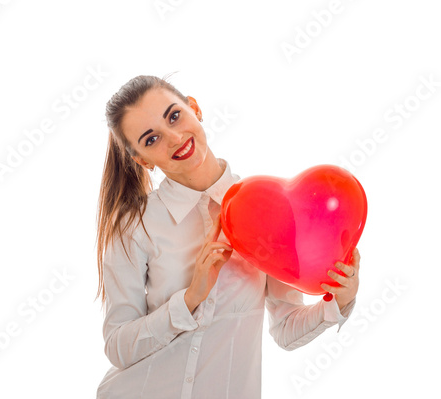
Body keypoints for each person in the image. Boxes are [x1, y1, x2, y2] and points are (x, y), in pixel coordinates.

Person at [95, 74, 360, 399]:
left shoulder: (267, 208)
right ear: (141, 160)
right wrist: (192, 297)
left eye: (174, 116)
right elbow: (118, 346)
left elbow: (286, 327)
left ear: (194, 108)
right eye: (151, 139)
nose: (175, 138)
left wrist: (339, 302)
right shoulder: (135, 225)